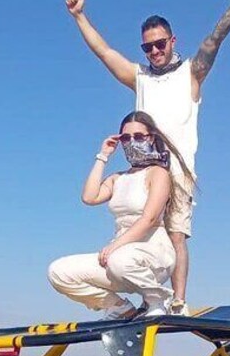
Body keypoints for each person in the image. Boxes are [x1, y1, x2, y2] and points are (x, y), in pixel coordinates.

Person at [65, 0, 230, 314]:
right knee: (142, 232)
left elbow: (214, 41)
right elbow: (104, 52)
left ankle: (178, 300)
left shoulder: (191, 73)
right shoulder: (139, 77)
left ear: (172, 40)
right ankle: (145, 301)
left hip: (178, 170)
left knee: (177, 235)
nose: (154, 51)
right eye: (147, 47)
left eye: (160, 44)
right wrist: (79, 16)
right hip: (144, 170)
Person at [49, 111, 176, 319]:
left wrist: (115, 246)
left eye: (138, 136)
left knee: (119, 260)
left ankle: (158, 300)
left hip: (153, 253)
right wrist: (103, 156)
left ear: (151, 138)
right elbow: (89, 197)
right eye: (126, 138)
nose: (131, 142)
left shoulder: (158, 173)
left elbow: (150, 218)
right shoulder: (118, 178)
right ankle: (119, 307)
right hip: (120, 256)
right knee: (59, 271)